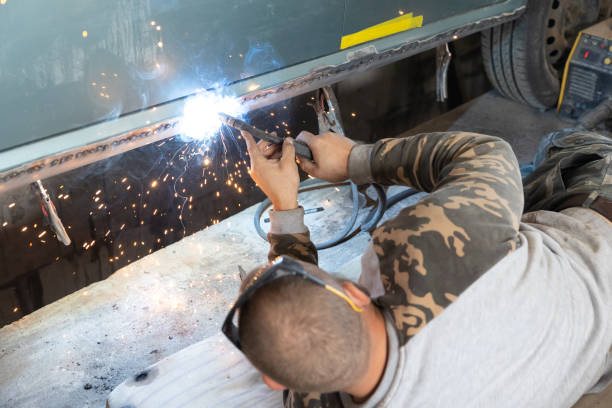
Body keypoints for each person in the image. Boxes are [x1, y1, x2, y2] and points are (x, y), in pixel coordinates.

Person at [223, 126, 612, 408]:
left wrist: (285, 207)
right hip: (595, 251)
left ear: (274, 382)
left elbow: (296, 334)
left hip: (592, 354)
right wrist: (354, 159)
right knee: (564, 145)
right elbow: (486, 153)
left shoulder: (314, 398)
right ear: (355, 293)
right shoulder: (424, 250)